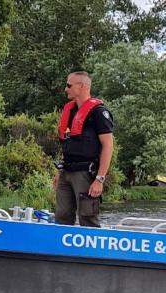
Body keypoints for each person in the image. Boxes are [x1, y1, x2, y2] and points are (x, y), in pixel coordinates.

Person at [52, 71, 114, 227]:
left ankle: (92, 251)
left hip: (86, 173)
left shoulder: (99, 113)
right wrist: (59, 172)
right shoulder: (69, 111)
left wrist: (100, 179)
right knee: (62, 215)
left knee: (88, 218)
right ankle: (61, 250)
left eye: (69, 85)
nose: (66, 89)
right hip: (66, 172)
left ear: (81, 86)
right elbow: (67, 145)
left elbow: (108, 146)